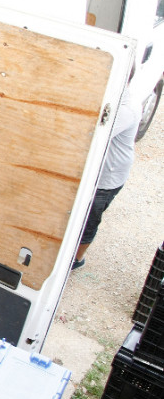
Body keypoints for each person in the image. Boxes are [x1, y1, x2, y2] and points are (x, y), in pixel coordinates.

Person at [72, 91, 141, 269]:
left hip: (107, 179)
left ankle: (77, 260)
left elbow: (92, 135)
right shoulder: (113, 98)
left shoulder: (125, 110)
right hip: (98, 172)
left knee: (89, 220)